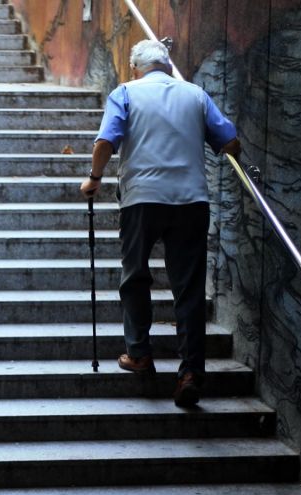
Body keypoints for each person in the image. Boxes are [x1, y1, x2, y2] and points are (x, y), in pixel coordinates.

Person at [81, 39, 241, 407]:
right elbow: (231, 143)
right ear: (167, 65)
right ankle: (190, 373)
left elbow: (106, 141)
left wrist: (94, 177)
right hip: (191, 201)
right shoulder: (196, 95)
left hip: (142, 200)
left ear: (134, 67)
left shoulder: (125, 92)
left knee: (135, 276)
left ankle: (139, 353)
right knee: (189, 289)